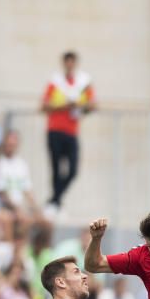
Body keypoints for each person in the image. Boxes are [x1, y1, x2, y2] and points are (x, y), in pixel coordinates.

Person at [41, 52, 95, 212]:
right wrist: (65, 105)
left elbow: (92, 105)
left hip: (71, 132)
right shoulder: (55, 82)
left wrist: (79, 106)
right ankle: (55, 200)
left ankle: (55, 199)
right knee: (56, 168)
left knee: (72, 170)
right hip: (55, 129)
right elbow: (45, 105)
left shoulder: (82, 83)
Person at [0, 129, 37, 219]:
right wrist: (16, 209)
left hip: (20, 207)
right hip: (4, 207)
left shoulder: (22, 164)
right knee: (22, 220)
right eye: (9, 144)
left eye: (13, 144)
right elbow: (0, 192)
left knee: (45, 223)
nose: (11, 146)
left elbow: (27, 189)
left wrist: (36, 209)